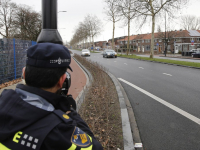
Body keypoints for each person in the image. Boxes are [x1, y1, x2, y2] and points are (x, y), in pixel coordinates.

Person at [0, 43, 103, 150]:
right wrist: (69, 111)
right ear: (62, 81)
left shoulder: (3, 101)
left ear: (24, 74)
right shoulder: (59, 132)